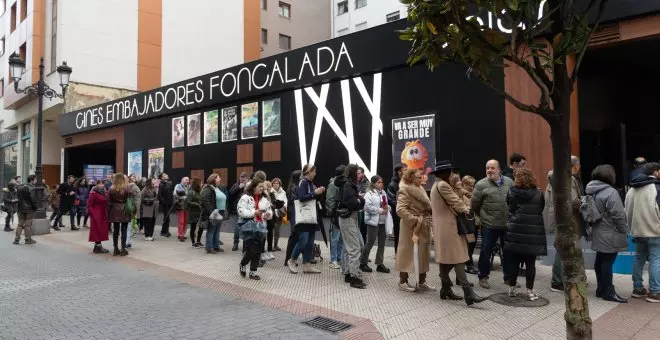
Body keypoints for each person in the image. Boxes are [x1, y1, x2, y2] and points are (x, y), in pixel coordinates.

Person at [432, 161, 489, 306]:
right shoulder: (443, 185)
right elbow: (455, 202)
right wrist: (466, 209)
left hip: (442, 227)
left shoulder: (435, 185)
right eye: (450, 172)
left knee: (445, 258)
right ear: (444, 173)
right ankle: (468, 293)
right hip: (450, 227)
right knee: (459, 257)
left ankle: (445, 289)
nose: (452, 174)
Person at [586, 164, 629, 303]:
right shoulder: (610, 192)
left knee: (600, 259)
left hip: (598, 229)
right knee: (607, 261)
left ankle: (601, 289)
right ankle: (608, 291)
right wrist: (624, 229)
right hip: (611, 230)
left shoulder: (591, 189)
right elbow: (618, 214)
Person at [504, 168, 547, 300]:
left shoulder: (511, 192)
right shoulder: (539, 194)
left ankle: (511, 288)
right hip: (533, 233)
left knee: (514, 262)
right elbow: (541, 208)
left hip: (515, 231)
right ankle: (530, 290)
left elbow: (509, 207)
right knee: (530, 263)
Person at [544, 155, 584, 292]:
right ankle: (557, 281)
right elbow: (572, 201)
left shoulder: (554, 177)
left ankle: (561, 279)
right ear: (575, 166)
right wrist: (585, 202)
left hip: (558, 218)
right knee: (563, 250)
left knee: (562, 249)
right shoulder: (568, 179)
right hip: (567, 219)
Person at [472, 159, 514, 289]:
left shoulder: (510, 182)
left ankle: (509, 278)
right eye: (487, 168)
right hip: (489, 224)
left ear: (499, 170)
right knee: (486, 251)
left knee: (509, 252)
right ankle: (483, 277)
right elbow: (475, 205)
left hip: (506, 224)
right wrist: (483, 217)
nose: (489, 170)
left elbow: (514, 201)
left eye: (492, 168)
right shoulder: (480, 185)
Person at [625, 162, 660, 303]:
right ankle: (655, 292)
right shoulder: (657, 188)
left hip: (638, 231)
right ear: (656, 172)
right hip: (655, 231)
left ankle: (637, 288)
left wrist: (631, 227)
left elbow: (626, 210)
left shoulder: (632, 189)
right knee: (655, 260)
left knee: (638, 259)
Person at [396, 168, 434, 292]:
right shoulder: (405, 189)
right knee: (407, 252)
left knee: (423, 253)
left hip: (422, 224)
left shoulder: (420, 188)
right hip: (409, 227)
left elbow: (425, 204)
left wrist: (428, 210)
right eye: (419, 176)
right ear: (411, 178)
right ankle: (403, 281)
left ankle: (422, 280)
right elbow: (400, 209)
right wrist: (414, 220)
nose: (421, 178)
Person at [288, 164, 325, 274]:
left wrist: (318, 193)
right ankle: (292, 260)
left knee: (309, 241)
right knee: (303, 240)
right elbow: (302, 198)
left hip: (310, 217)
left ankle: (307, 264)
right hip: (303, 217)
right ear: (309, 172)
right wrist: (315, 193)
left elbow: (311, 197)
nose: (315, 173)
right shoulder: (303, 182)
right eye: (314, 171)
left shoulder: (309, 183)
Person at [336, 164, 366, 288]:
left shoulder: (345, 184)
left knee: (349, 248)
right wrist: (360, 200)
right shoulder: (349, 185)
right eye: (358, 173)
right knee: (354, 248)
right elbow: (353, 202)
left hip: (345, 219)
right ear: (354, 173)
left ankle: (348, 274)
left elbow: (354, 200)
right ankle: (354, 277)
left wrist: (359, 200)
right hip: (348, 218)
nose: (361, 175)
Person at [238, 181, 272, 280]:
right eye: (260, 186)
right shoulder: (245, 198)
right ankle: (243, 264)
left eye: (263, 187)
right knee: (251, 250)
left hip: (260, 227)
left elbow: (269, 211)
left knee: (258, 251)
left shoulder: (265, 199)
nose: (262, 188)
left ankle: (253, 272)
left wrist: (268, 215)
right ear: (253, 187)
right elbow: (240, 211)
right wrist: (254, 212)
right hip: (249, 227)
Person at [360, 175, 390, 273]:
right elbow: (367, 207)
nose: (381, 184)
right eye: (378, 182)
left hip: (382, 221)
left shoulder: (383, 192)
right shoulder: (369, 194)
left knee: (382, 244)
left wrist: (387, 208)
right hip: (373, 222)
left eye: (382, 182)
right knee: (370, 243)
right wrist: (380, 210)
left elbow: (385, 204)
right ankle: (363, 263)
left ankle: (379, 264)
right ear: (373, 183)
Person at [326, 165, 346, 269]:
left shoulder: (343, 184)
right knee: (335, 238)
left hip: (342, 213)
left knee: (341, 238)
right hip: (336, 214)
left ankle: (339, 258)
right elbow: (329, 200)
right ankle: (333, 260)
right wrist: (333, 212)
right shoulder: (333, 184)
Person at [200, 173, 227, 254]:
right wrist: (212, 212)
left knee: (217, 230)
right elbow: (206, 201)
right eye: (219, 178)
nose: (220, 179)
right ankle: (209, 247)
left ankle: (216, 246)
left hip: (220, 211)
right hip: (214, 212)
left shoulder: (216, 188)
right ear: (214, 179)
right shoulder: (208, 188)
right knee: (211, 230)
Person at [108, 173, 133, 256]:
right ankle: (123, 249)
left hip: (114, 210)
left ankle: (115, 249)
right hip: (124, 210)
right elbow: (131, 197)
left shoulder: (111, 188)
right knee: (124, 230)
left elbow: (109, 201)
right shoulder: (127, 188)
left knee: (115, 230)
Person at [387, 163, 407, 254]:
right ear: (399, 172)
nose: (407, 172)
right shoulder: (392, 185)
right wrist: (402, 208)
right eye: (405, 170)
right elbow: (391, 200)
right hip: (398, 214)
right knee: (398, 234)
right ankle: (398, 254)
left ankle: (406, 253)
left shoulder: (406, 182)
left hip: (407, 213)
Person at [461, 175, 479, 274]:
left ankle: (467, 263)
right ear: (464, 184)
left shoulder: (473, 194)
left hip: (474, 223)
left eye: (473, 185)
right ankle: (469, 265)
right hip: (466, 224)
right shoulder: (462, 195)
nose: (472, 187)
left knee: (472, 244)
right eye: (469, 185)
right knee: (469, 245)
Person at [13, 175, 38, 245]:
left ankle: (16, 239)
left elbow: (17, 197)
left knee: (20, 224)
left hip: (20, 208)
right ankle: (28, 239)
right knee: (28, 225)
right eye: (35, 180)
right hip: (29, 209)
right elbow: (33, 200)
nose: (36, 181)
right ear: (32, 180)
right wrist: (35, 207)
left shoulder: (20, 187)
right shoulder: (32, 188)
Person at [284, 170, 302, 266]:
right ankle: (288, 259)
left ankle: (291, 258)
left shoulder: (296, 186)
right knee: (294, 235)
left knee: (297, 236)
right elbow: (293, 200)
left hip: (296, 213)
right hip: (294, 214)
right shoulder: (292, 187)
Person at [87, 180, 110, 253]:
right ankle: (98, 246)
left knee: (101, 230)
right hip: (96, 213)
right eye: (99, 184)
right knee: (97, 230)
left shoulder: (105, 192)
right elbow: (89, 204)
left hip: (103, 213)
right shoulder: (93, 192)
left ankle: (97, 247)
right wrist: (92, 212)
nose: (101, 185)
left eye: (102, 183)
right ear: (96, 184)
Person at [229, 172, 249, 251]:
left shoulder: (249, 185)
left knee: (246, 227)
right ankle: (235, 243)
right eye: (241, 177)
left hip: (247, 209)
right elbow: (230, 193)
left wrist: (247, 186)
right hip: (238, 209)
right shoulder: (236, 185)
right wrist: (239, 187)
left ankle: (245, 244)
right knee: (237, 227)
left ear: (247, 179)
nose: (242, 179)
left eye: (244, 178)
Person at [185, 178, 204, 247]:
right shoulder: (191, 192)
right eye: (201, 183)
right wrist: (197, 204)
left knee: (201, 227)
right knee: (193, 228)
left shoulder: (200, 191)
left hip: (200, 212)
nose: (202, 184)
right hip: (193, 212)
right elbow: (188, 202)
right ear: (197, 184)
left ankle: (198, 241)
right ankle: (193, 243)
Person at [271, 178, 288, 251]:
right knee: (271, 230)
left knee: (277, 231)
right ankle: (270, 245)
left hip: (280, 213)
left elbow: (286, 201)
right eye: (274, 183)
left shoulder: (283, 192)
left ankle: (275, 245)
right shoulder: (270, 192)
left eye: (277, 183)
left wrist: (284, 205)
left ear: (279, 184)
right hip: (272, 213)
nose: (275, 184)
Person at [157, 173, 174, 238]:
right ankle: (164, 231)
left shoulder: (169, 183)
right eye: (165, 175)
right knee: (166, 217)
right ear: (162, 178)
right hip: (165, 204)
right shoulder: (161, 184)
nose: (167, 175)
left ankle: (165, 230)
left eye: (166, 174)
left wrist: (172, 201)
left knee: (167, 218)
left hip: (169, 203)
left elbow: (170, 193)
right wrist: (163, 202)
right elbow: (159, 195)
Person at [174, 177, 190, 242]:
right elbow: (175, 194)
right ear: (182, 180)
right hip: (180, 206)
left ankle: (183, 234)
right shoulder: (178, 186)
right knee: (181, 221)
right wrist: (184, 197)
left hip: (187, 206)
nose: (187, 181)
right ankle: (180, 235)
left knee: (186, 221)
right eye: (186, 180)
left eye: (188, 180)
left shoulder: (189, 187)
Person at [356, 167, 368, 243]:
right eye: (356, 173)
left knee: (363, 230)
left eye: (359, 173)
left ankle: (363, 248)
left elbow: (367, 196)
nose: (357, 175)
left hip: (363, 209)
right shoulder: (353, 182)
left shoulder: (367, 183)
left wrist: (361, 196)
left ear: (363, 174)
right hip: (355, 208)